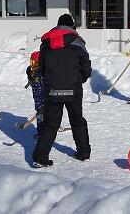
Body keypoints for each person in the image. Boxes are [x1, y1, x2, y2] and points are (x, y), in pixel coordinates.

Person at [32, 14, 92, 168]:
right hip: (73, 90)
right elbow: (86, 66)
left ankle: (40, 157)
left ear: (57, 25)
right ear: (72, 26)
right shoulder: (77, 41)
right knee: (77, 121)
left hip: (52, 90)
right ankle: (83, 152)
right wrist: (79, 80)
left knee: (50, 124)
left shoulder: (46, 42)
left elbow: (42, 67)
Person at [26, 50, 44, 138]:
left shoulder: (43, 73)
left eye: (35, 63)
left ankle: (45, 133)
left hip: (44, 100)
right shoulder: (34, 73)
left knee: (43, 116)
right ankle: (40, 132)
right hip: (37, 99)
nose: (33, 66)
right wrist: (30, 75)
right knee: (39, 115)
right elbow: (32, 83)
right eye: (32, 63)